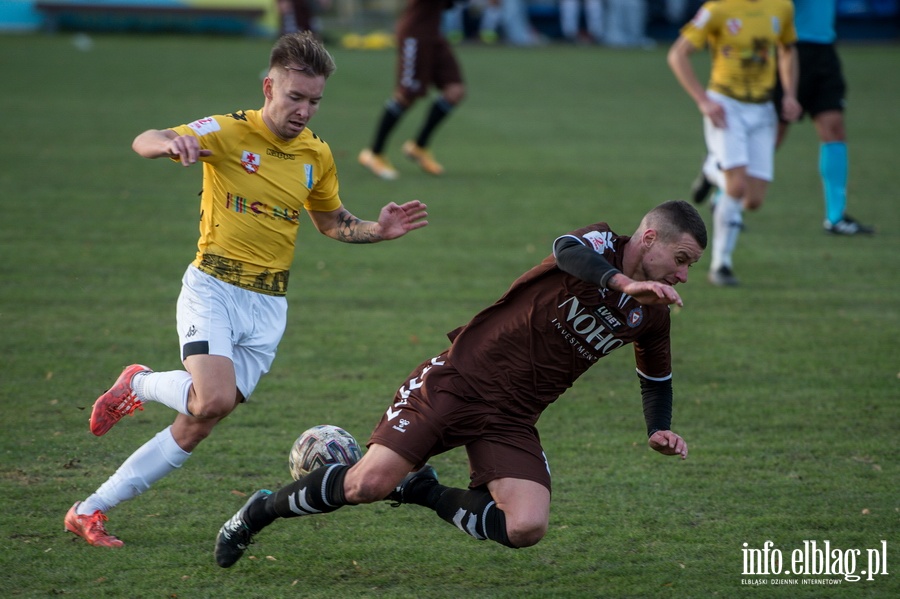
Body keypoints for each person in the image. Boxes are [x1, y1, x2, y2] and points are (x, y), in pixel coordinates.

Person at [63, 32, 429, 548]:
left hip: (268, 305)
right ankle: (140, 383)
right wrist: (171, 142)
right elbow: (144, 138)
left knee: (198, 422)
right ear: (268, 87)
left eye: (315, 101)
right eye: (295, 97)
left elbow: (330, 222)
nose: (304, 110)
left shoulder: (316, 155)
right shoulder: (229, 132)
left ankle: (88, 510)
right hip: (212, 287)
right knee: (210, 399)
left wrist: (376, 229)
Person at [213, 200, 707, 568]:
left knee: (527, 526)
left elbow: (656, 380)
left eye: (691, 266)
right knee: (366, 484)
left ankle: (423, 490)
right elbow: (567, 251)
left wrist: (658, 429)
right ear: (647, 238)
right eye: (681, 258)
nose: (683, 275)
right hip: (457, 382)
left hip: (512, 419)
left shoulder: (651, 314)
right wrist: (624, 283)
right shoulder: (600, 244)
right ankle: (257, 513)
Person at [689, 0, 874, 236]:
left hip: (824, 47)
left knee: (834, 128)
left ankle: (835, 217)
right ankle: (722, 188)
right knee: (774, 136)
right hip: (784, 48)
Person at [667, 0, 800, 286]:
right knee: (736, 187)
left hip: (763, 110)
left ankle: (711, 169)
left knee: (753, 200)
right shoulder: (717, 10)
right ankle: (721, 265)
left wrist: (789, 94)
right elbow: (678, 54)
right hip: (726, 106)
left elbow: (788, 49)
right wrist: (703, 101)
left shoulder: (781, 7)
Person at [358, 0, 467, 180]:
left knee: (455, 90)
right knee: (406, 95)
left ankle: (419, 146)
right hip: (415, 35)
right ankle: (374, 153)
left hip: (433, 34)